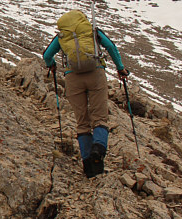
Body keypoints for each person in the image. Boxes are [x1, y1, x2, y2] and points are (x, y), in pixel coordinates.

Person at [43, 9, 130, 177]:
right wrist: (120, 68)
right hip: (95, 73)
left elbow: (47, 55)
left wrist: (52, 64)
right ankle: (98, 148)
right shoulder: (92, 31)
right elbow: (111, 47)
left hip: (73, 78)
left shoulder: (62, 37)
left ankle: (88, 166)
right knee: (99, 117)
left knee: (82, 122)